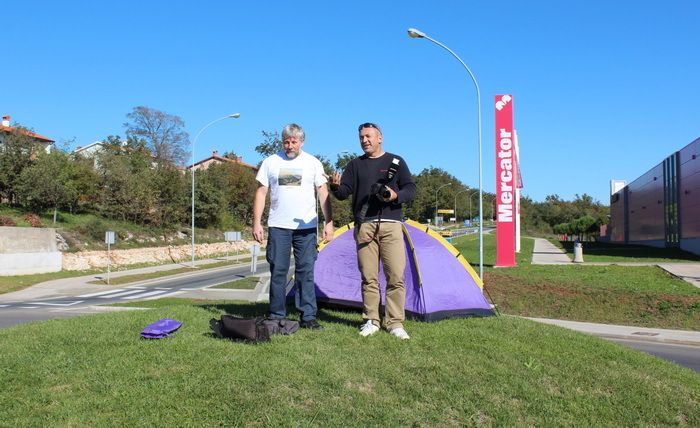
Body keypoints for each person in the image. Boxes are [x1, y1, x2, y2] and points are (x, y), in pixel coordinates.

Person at [328, 122, 416, 339]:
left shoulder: (396, 161)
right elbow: (343, 193)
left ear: (380, 138)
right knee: (369, 277)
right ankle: (371, 320)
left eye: (368, 136)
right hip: (365, 225)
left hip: (391, 224)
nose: (364, 140)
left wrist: (396, 195)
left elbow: (411, 188)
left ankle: (395, 323)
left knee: (395, 276)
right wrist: (335, 186)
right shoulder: (354, 165)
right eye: (361, 137)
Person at [253, 123, 334, 330]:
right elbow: (261, 193)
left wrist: (329, 223)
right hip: (278, 226)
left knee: (305, 272)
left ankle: (308, 317)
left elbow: (323, 193)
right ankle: (275, 315)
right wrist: (257, 223)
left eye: (294, 142)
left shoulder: (313, 163)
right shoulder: (271, 162)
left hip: (306, 228)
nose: (290, 145)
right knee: (278, 271)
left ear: (302, 142)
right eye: (286, 142)